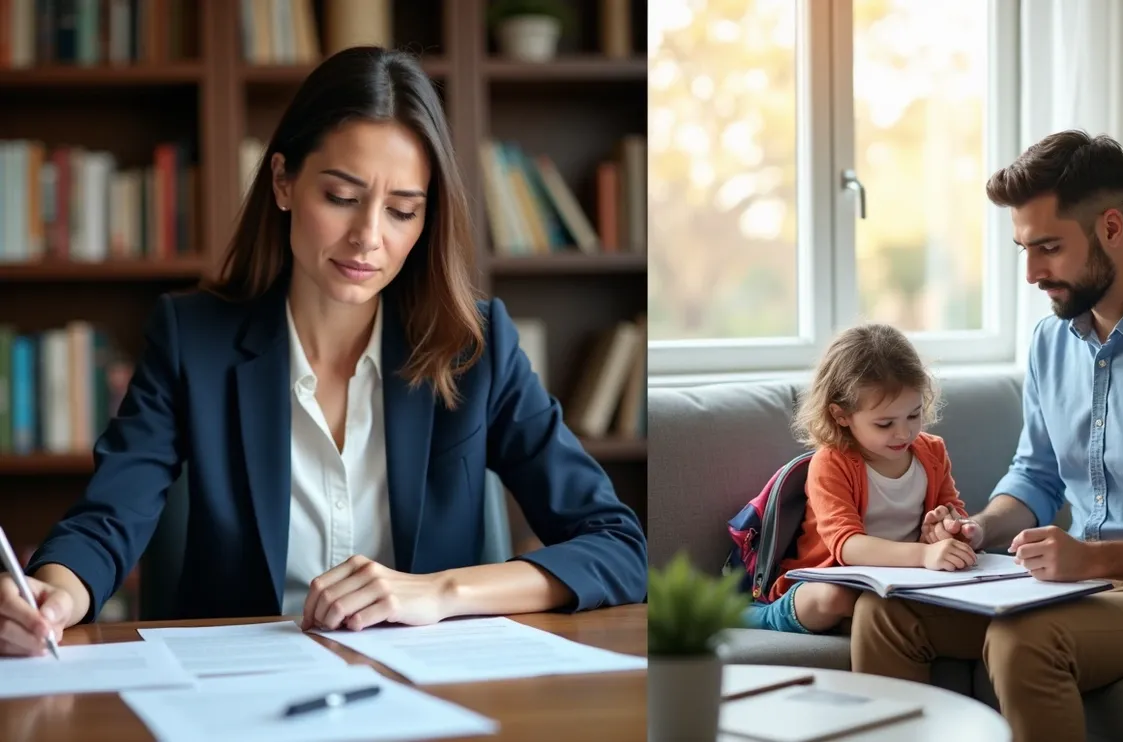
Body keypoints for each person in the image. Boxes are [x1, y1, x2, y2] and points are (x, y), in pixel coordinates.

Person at [0, 46, 647, 657]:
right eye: (341, 197)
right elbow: (109, 516)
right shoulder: (190, 338)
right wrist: (56, 594)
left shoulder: (474, 348)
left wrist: (444, 592)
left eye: (402, 210)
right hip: (241, 696)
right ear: (283, 181)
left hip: (438, 695)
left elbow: (618, 546)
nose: (368, 237)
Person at [849, 130, 1123, 742]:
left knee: (1024, 639)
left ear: (1112, 228)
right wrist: (978, 526)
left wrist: (1090, 557)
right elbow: (1036, 475)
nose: (1030, 273)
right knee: (885, 612)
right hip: (1088, 584)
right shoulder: (1052, 343)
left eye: (1048, 247)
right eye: (1023, 249)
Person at [744, 322, 978, 635]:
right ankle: (758, 616)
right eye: (884, 424)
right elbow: (847, 545)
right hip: (833, 578)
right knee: (834, 599)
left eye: (914, 414)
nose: (904, 432)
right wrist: (924, 555)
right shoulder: (832, 463)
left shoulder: (932, 452)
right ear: (841, 416)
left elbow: (953, 509)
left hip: (902, 580)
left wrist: (957, 530)